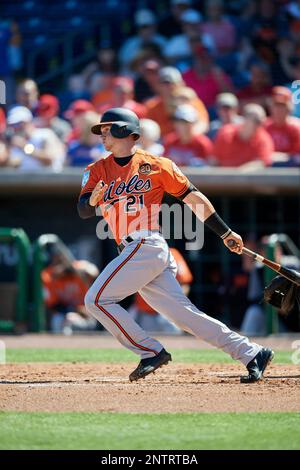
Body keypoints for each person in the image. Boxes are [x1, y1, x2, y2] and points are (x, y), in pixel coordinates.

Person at [77, 106, 274, 383]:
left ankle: (150, 351)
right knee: (185, 316)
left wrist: (225, 232)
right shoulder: (97, 169)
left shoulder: (158, 165)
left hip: (146, 244)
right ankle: (252, 353)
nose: (102, 135)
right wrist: (93, 201)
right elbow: (83, 209)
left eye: (107, 129)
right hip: (135, 252)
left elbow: (194, 199)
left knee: (96, 299)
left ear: (124, 130)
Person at [213, 103, 274, 168]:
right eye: (256, 121)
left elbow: (262, 163)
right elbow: (214, 161)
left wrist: (238, 175)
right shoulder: (226, 133)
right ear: (244, 119)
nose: (259, 125)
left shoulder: (263, 139)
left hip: (250, 177)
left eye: (261, 122)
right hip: (223, 176)